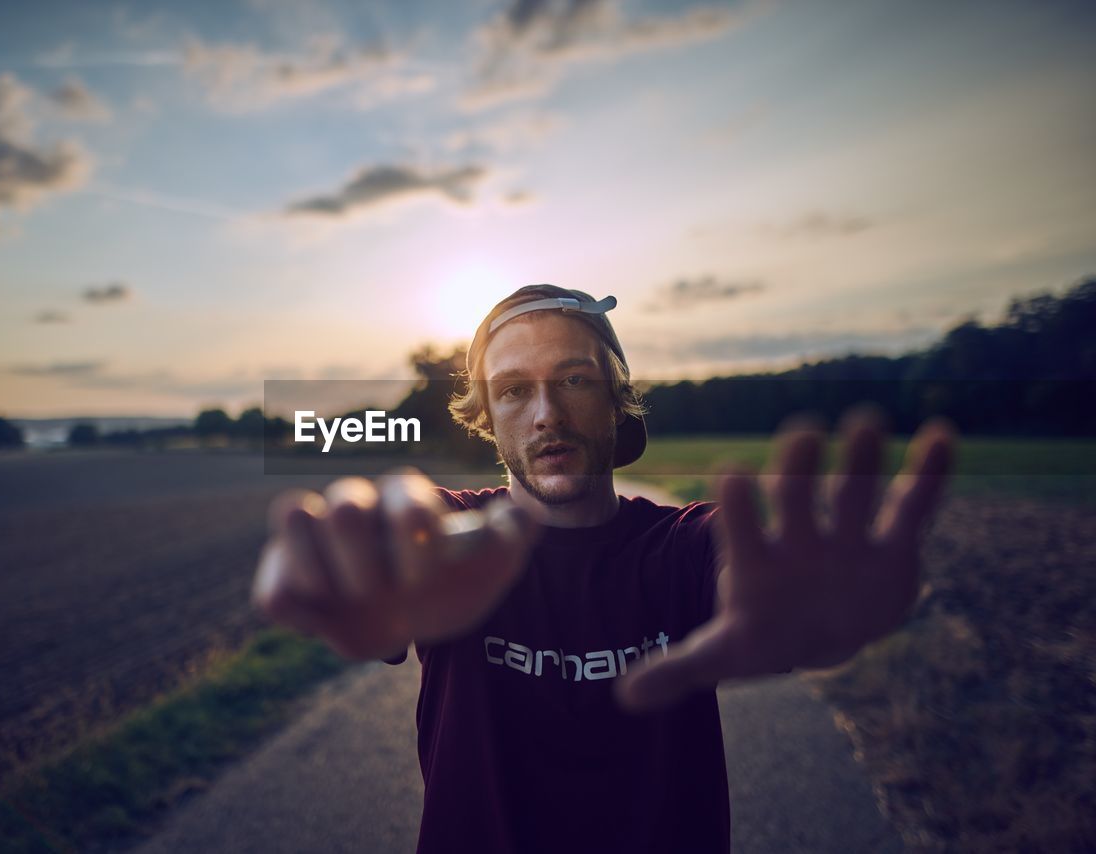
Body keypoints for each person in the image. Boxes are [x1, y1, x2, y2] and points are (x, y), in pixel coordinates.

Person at [252, 285, 956, 853]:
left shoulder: (681, 545)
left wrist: (812, 613)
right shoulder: (455, 541)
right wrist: (330, 568)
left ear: (618, 403)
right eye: (515, 390)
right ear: (487, 419)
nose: (547, 413)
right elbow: (392, 541)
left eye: (575, 379)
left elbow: (741, 569)